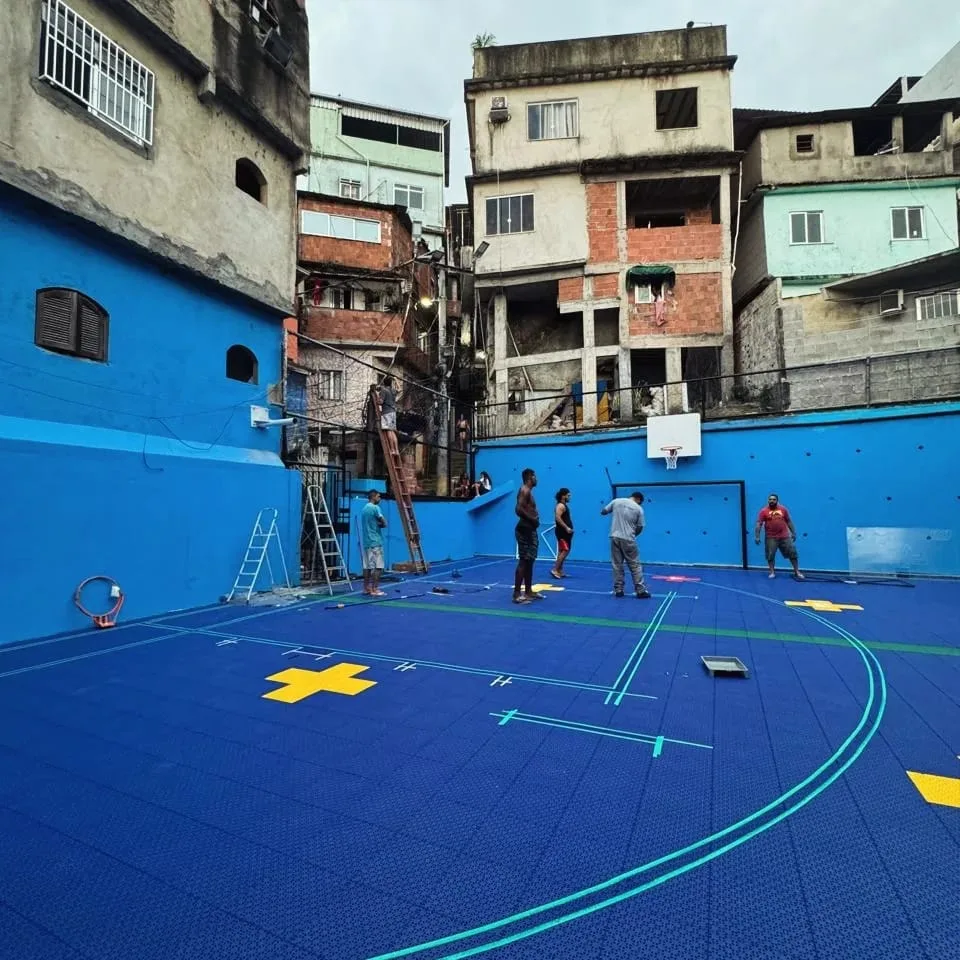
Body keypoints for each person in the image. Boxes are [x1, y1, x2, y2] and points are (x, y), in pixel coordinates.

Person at [600, 491, 651, 599]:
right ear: (638, 499)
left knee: (617, 564)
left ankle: (618, 590)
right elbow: (640, 526)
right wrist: (633, 534)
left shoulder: (616, 501)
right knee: (635, 565)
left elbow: (603, 511)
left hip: (614, 537)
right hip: (628, 539)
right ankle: (640, 590)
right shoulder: (638, 509)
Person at [754, 492, 804, 580]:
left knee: (792, 553)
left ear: (777, 501)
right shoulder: (763, 511)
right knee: (770, 555)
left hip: (784, 536)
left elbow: (788, 521)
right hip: (771, 537)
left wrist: (793, 533)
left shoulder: (783, 509)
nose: (771, 501)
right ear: (768, 501)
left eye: (774, 499)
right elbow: (759, 524)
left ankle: (797, 571)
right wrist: (757, 536)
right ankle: (772, 572)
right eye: (770, 499)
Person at [513, 467, 543, 604]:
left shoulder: (528, 492)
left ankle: (529, 591)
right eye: (535, 476)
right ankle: (517, 594)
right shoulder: (524, 490)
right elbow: (518, 509)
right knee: (524, 561)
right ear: (530, 477)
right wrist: (533, 519)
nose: (536, 479)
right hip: (525, 530)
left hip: (530, 530)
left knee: (530, 560)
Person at [360, 489, 388, 596]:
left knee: (367, 566)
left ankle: (366, 588)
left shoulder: (364, 509)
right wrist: (380, 525)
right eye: (378, 496)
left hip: (367, 542)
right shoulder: (376, 508)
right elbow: (384, 523)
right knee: (378, 566)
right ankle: (375, 589)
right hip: (375, 541)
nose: (379, 499)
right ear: (374, 497)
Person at [551, 488, 573, 579]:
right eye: (568, 495)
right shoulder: (560, 506)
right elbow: (558, 518)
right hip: (563, 532)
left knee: (562, 550)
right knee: (565, 550)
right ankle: (555, 569)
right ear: (563, 496)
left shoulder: (564, 505)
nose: (569, 497)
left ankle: (559, 570)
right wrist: (566, 527)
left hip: (565, 532)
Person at [379, 375, 399, 462]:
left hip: (386, 412)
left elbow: (380, 402)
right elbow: (399, 389)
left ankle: (392, 449)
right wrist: (396, 380)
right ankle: (396, 450)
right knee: (393, 432)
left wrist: (377, 398)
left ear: (384, 383)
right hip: (393, 412)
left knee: (389, 431)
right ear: (391, 383)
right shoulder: (393, 390)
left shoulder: (384, 390)